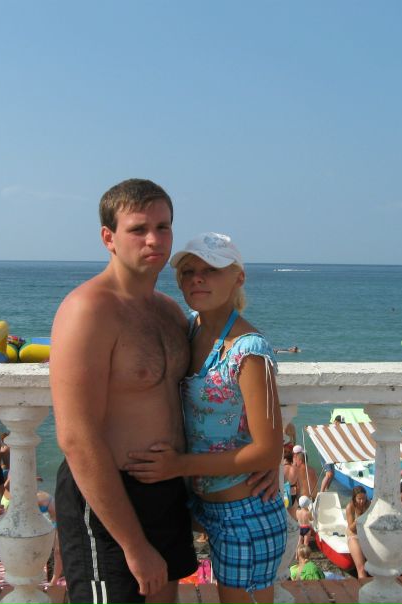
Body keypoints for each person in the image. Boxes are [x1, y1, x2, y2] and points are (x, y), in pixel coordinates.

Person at [51, 181, 276, 604]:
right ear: (108, 238)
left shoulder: (172, 313)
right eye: (138, 229)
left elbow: (213, 393)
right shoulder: (88, 310)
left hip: (167, 492)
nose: (154, 239)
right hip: (111, 499)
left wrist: (265, 459)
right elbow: (76, 438)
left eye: (163, 227)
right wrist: (133, 545)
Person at [124, 232, 287, 604]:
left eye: (211, 269)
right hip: (204, 507)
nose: (197, 278)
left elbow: (267, 451)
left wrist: (178, 465)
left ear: (238, 277)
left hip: (244, 514)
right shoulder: (192, 330)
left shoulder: (249, 351)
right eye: (188, 271)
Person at [345, 485, 371, 579]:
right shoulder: (350, 507)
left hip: (366, 535)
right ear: (354, 498)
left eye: (364, 498)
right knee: (362, 568)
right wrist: (359, 519)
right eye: (359, 499)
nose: (362, 501)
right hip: (354, 536)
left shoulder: (368, 504)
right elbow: (351, 528)